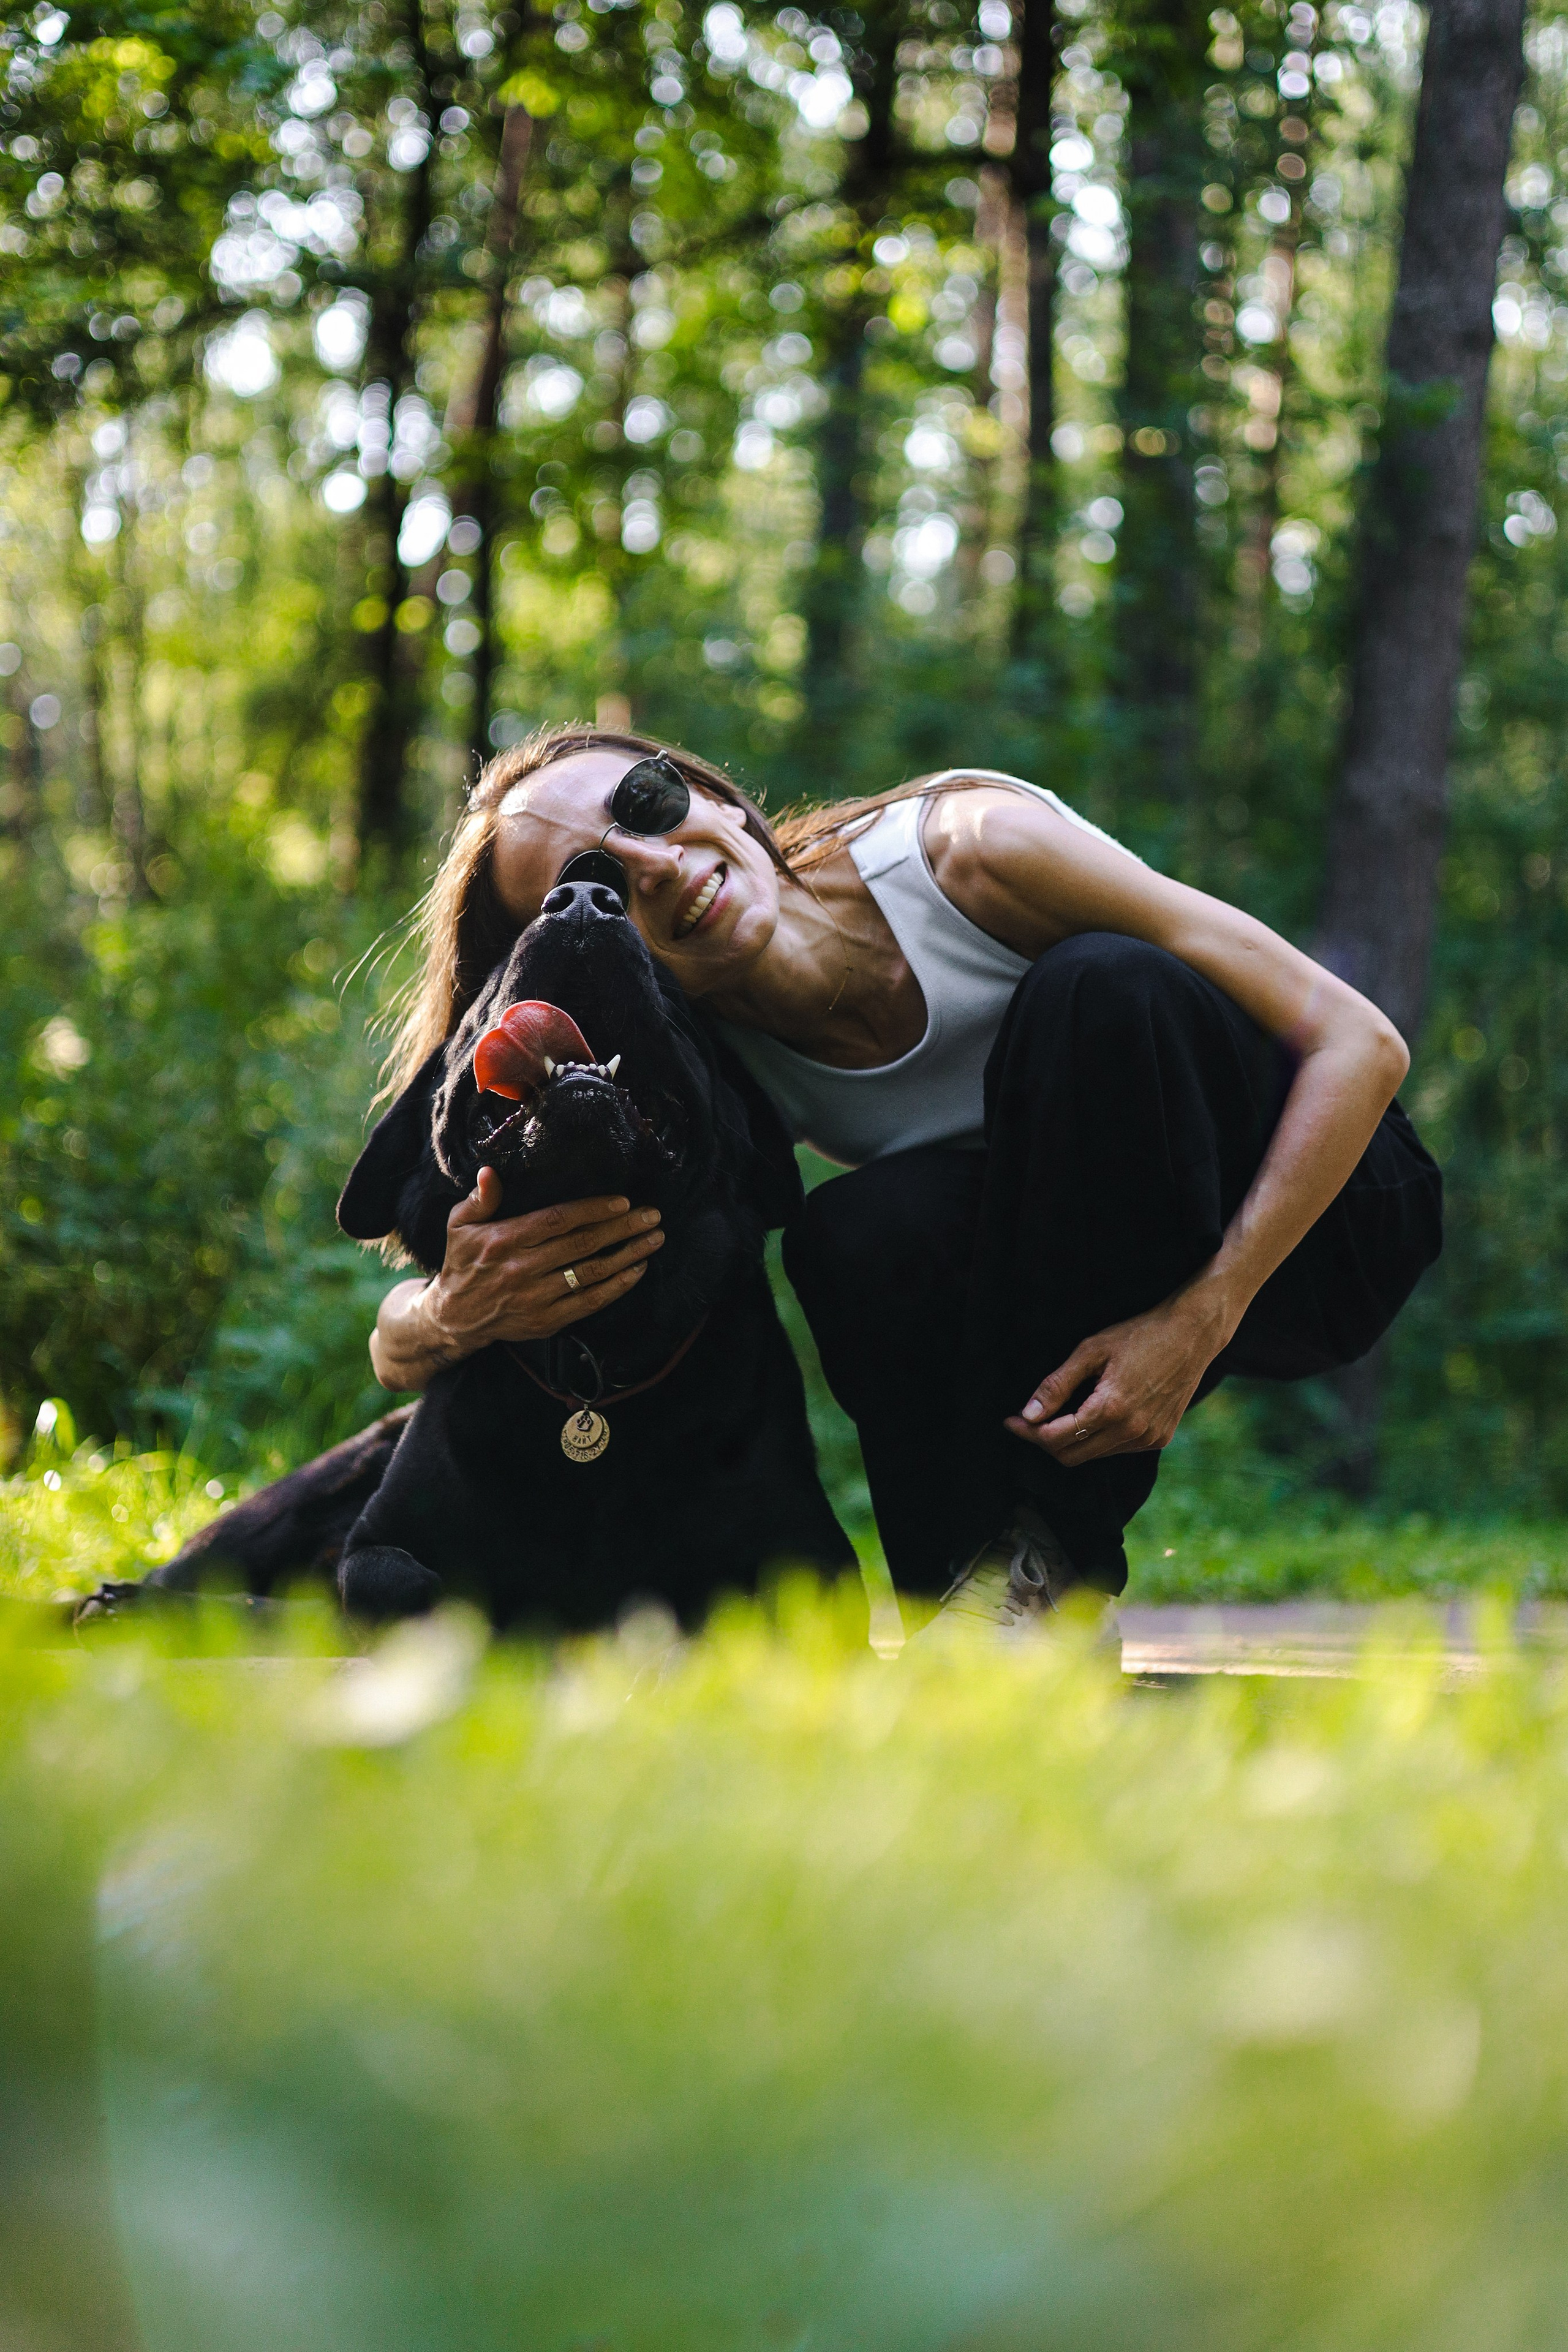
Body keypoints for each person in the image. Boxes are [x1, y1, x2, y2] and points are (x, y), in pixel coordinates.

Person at [371, 723, 1441, 1640]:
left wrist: (1205, 1313)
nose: (649, 866)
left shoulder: (970, 852)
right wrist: (452, 1307)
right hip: (1096, 1268)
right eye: (591, 889)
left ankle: (1048, 1548)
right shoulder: (709, 1068)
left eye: (646, 804)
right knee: (850, 1234)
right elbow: (415, 1324)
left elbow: (1362, 1042)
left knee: (1099, 987)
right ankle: (985, 1606)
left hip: (1331, 1221)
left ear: (709, 793)